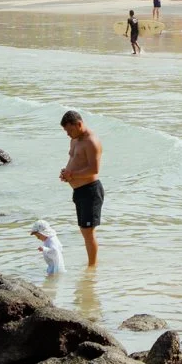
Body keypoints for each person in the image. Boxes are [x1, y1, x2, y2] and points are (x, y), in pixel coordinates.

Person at [58, 110, 104, 267]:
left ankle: (92, 268)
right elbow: (74, 160)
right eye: (66, 131)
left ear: (79, 124)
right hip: (79, 191)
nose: (68, 134)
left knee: (88, 232)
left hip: (90, 191)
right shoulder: (75, 140)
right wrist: (66, 173)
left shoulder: (91, 142)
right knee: (84, 231)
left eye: (69, 130)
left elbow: (94, 169)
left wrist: (73, 175)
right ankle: (91, 264)